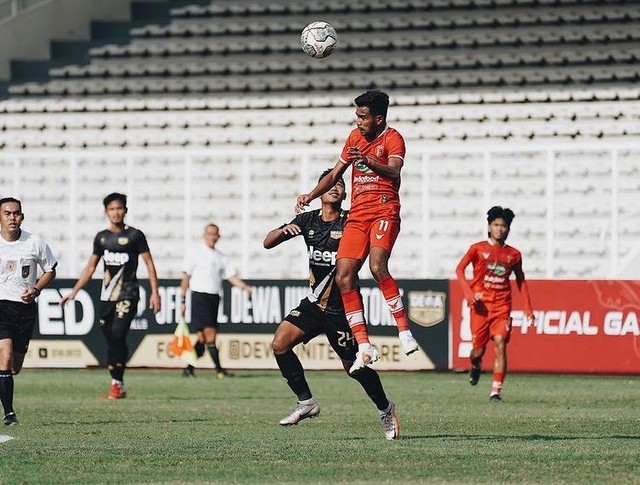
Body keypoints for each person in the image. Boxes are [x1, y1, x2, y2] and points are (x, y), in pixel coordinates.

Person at [267, 169, 400, 440]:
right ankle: (306, 402)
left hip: (343, 309)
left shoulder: (353, 222)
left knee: (354, 368)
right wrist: (282, 231)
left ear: (346, 193)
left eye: (340, 184)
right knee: (280, 343)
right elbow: (267, 242)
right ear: (319, 191)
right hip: (315, 304)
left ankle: (385, 409)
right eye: (329, 184)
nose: (335, 187)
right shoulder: (307, 220)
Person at [295, 90, 419, 375]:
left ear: (379, 118)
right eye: (357, 116)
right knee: (344, 276)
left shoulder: (393, 138)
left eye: (363, 117)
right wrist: (311, 194)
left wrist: (368, 160)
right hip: (358, 215)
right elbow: (334, 174)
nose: (358, 121)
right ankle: (364, 345)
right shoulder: (354, 137)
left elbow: (394, 172)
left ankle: (404, 331)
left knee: (377, 266)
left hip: (384, 210)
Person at [60, 193, 161, 400]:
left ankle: (117, 383)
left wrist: (155, 293)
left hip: (128, 294)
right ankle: (117, 381)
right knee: (111, 338)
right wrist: (75, 291)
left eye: (119, 208)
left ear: (125, 210)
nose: (116, 213)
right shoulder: (101, 238)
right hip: (107, 297)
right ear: (106, 212)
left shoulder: (135, 236)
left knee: (117, 334)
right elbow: (90, 267)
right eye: (112, 209)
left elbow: (149, 264)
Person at [455, 206, 535, 402]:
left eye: (503, 225)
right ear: (489, 227)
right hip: (480, 308)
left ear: (508, 229)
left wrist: (528, 308)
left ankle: (495, 392)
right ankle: (475, 365)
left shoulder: (514, 254)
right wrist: (469, 294)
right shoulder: (477, 249)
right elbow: (459, 270)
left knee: (500, 344)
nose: (499, 229)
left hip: (502, 307)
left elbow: (521, 280)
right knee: (477, 352)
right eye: (496, 225)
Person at [0, 197, 57, 426]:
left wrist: (36, 289)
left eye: (16, 213)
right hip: (1, 306)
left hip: (24, 309)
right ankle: (9, 413)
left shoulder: (34, 242)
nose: (12, 217)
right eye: (7, 213)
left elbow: (50, 270)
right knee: (4, 356)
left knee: (14, 367)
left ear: (22, 217)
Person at [179, 223, 252, 379]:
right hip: (199, 297)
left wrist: (245, 287)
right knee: (210, 335)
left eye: (215, 234)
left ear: (218, 236)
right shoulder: (195, 252)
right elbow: (186, 277)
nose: (212, 237)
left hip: (213, 297)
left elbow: (231, 276)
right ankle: (219, 370)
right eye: (210, 234)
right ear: (204, 235)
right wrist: (182, 300)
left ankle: (188, 369)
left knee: (202, 338)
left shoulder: (221, 256)